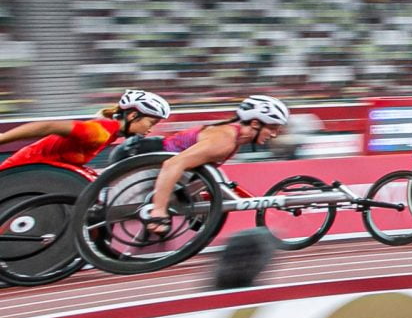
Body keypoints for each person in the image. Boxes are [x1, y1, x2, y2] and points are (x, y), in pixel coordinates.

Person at [146, 95, 289, 234]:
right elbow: (172, 165)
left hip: (157, 165)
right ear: (255, 124)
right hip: (143, 157)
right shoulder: (225, 140)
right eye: (272, 128)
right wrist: (158, 211)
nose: (274, 134)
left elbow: (201, 172)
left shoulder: (235, 139)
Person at [0, 89, 170, 172]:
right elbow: (47, 126)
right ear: (133, 115)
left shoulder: (109, 134)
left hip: (39, 175)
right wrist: (3, 138)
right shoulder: (98, 132)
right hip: (19, 175)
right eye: (151, 122)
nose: (149, 130)